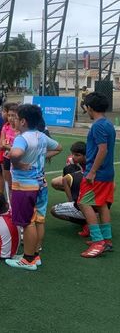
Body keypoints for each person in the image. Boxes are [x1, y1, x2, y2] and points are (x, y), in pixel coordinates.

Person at [5, 104, 61, 271]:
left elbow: (15, 154)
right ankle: (35, 255)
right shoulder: (41, 136)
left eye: (16, 118)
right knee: (38, 220)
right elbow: (58, 147)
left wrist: (17, 163)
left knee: (27, 222)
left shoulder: (22, 138)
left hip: (25, 186)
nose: (13, 121)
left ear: (23, 121)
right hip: (41, 184)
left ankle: (27, 259)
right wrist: (41, 156)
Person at [78, 92, 115, 257]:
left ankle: (98, 241)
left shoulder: (98, 126)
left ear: (89, 108)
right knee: (101, 204)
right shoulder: (108, 123)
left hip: (97, 174)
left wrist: (92, 171)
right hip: (107, 173)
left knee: (84, 203)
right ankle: (106, 240)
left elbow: (102, 149)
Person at [0, 103, 18, 198]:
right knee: (9, 183)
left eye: (13, 116)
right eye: (9, 115)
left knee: (16, 184)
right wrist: (7, 146)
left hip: (17, 159)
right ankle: (10, 202)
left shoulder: (20, 130)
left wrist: (7, 146)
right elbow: (1, 146)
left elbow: (19, 149)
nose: (10, 118)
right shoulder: (5, 127)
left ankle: (16, 201)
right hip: (7, 158)